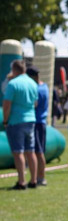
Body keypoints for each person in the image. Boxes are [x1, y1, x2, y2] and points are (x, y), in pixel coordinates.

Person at [2, 60, 39, 189]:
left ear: (14, 70)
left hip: (16, 120)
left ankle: (21, 181)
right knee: (31, 152)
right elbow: (35, 104)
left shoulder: (13, 84)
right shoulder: (33, 83)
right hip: (31, 120)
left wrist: (5, 120)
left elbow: (7, 105)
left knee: (18, 153)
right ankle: (34, 180)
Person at [27, 68, 49, 187]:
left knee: (38, 152)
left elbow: (33, 104)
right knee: (39, 151)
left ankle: (40, 178)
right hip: (41, 122)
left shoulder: (36, 89)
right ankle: (38, 177)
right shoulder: (44, 86)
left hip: (37, 122)